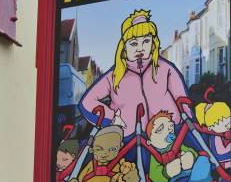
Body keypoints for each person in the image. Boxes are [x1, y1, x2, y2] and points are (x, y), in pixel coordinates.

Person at [79, 9, 191, 138]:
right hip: (128, 140)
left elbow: (182, 100)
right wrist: (112, 119)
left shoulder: (165, 69)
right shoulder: (115, 75)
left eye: (146, 41)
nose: (140, 48)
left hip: (169, 137)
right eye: (133, 43)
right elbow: (87, 102)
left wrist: (186, 127)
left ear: (153, 43)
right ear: (124, 47)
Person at [146, 109, 213, 182]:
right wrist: (166, 172)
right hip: (166, 179)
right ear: (149, 141)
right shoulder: (155, 154)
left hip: (186, 170)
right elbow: (154, 174)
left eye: (170, 127)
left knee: (202, 160)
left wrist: (190, 156)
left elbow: (192, 151)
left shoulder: (176, 144)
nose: (168, 131)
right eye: (160, 130)